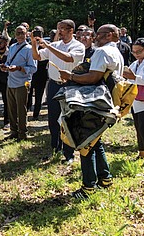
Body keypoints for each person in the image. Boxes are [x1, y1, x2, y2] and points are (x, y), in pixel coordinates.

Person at [57, 24, 125, 199]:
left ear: (110, 35)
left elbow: (93, 77)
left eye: (100, 34)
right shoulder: (116, 51)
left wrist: (70, 76)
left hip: (95, 104)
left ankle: (88, 188)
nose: (96, 37)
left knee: (85, 141)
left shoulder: (102, 52)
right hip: (108, 103)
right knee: (95, 141)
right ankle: (105, 179)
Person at [31, 19, 85, 163]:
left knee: (68, 119)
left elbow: (68, 58)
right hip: (54, 85)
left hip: (70, 85)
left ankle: (69, 154)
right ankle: (55, 148)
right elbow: (37, 57)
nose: (59, 31)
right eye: (58, 28)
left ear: (70, 30)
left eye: (62, 28)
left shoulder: (78, 46)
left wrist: (48, 46)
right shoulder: (55, 45)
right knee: (53, 119)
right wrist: (34, 43)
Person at [2, 25, 37, 141]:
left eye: (22, 33)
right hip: (10, 82)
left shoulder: (29, 49)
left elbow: (33, 68)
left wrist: (19, 68)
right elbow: (7, 62)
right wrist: (5, 67)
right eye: (18, 33)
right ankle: (14, 131)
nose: (20, 35)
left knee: (21, 109)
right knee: (11, 108)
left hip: (23, 83)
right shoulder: (12, 47)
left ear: (27, 34)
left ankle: (22, 133)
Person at [27, 26, 49, 120]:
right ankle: (27, 110)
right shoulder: (29, 44)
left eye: (39, 32)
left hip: (42, 73)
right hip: (30, 74)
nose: (37, 33)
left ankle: (36, 114)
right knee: (28, 93)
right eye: (35, 31)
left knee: (39, 95)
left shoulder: (46, 44)